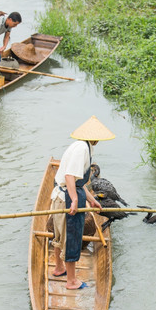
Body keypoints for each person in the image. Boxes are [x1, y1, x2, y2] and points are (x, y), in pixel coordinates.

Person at [50, 116, 115, 290]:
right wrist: (75, 201)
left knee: (58, 234)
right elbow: (70, 176)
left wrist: (92, 200)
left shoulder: (81, 146)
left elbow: (79, 182)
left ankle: (59, 268)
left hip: (63, 195)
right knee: (72, 237)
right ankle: (71, 281)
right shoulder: (82, 150)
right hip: (67, 198)